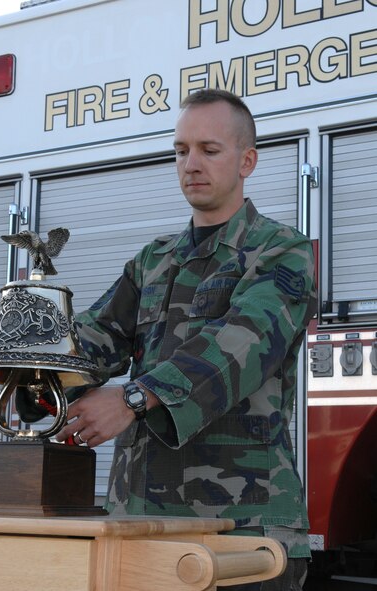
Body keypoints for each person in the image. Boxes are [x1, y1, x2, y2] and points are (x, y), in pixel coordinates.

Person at [20, 89, 317, 590]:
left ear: (247, 161)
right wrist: (32, 373)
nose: (191, 164)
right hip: (139, 525)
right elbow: (93, 339)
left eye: (209, 149)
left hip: (241, 535)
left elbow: (239, 345)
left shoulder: (282, 251)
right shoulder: (153, 261)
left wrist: (132, 398)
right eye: (181, 151)